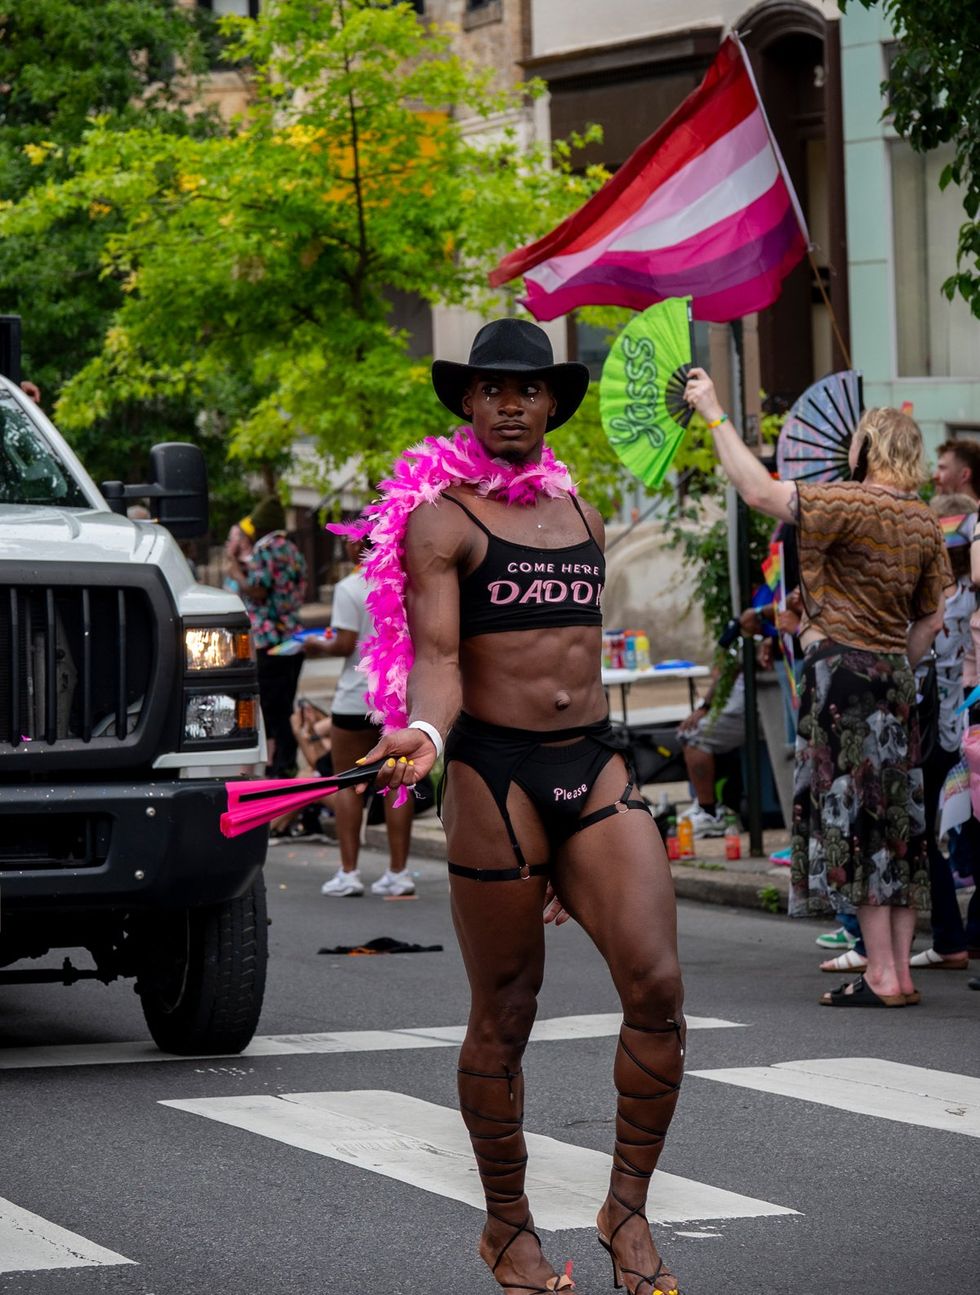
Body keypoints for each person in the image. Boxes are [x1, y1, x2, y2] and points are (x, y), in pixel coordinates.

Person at [338, 319, 685, 1295]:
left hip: (593, 763)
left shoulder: (581, 510)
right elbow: (441, 658)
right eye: (490, 389)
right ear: (466, 401)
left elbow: (575, 653)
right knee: (506, 1008)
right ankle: (506, 1225)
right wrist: (426, 732)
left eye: (526, 390)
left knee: (657, 984)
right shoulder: (440, 519)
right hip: (493, 772)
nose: (508, 404)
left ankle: (626, 1209)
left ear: (551, 404)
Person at [685, 370, 949, 1009]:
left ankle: (880, 974)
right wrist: (893, 661)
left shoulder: (849, 502)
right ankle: (899, 973)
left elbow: (758, 490)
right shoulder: (924, 522)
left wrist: (714, 411)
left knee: (855, 823)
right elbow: (932, 620)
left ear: (867, 448)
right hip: (895, 682)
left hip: (844, 682)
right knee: (896, 826)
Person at [305, 537, 416, 898]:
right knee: (398, 783)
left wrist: (314, 645)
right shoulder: (405, 581)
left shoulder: (349, 588)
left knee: (348, 784)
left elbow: (343, 643)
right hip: (396, 700)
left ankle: (349, 873)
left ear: (356, 548)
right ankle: (398, 872)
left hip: (355, 699)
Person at [909, 494, 977, 970]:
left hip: (936, 733)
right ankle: (970, 934)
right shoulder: (974, 596)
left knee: (924, 836)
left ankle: (950, 937)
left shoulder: (932, 598)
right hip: (969, 730)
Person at [228, 495, 307, 777]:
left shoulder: (265, 549)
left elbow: (258, 590)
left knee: (272, 707)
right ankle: (284, 761)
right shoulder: (292, 549)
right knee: (285, 703)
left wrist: (236, 572)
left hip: (269, 640)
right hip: (293, 638)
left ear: (261, 527)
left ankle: (283, 765)